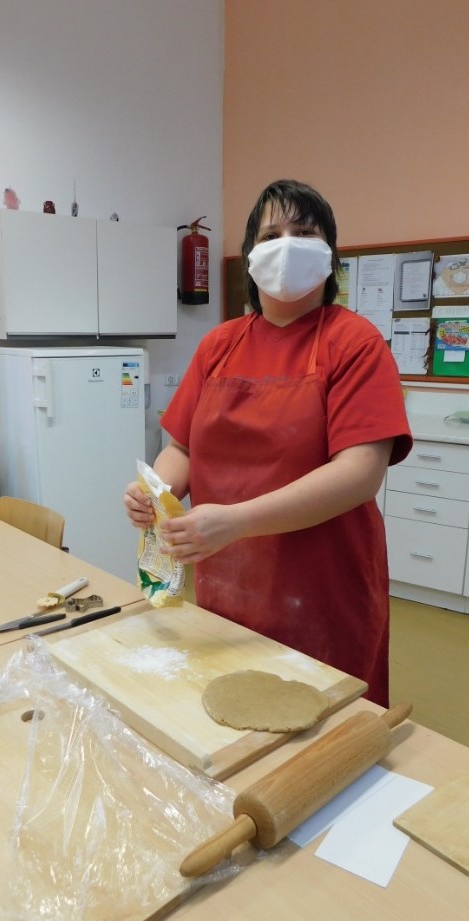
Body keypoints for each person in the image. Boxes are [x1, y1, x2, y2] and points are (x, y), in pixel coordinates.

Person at [124, 179, 412, 706]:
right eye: (271, 234)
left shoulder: (355, 343)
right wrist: (155, 491)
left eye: (304, 233)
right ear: (251, 255)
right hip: (229, 583)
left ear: (330, 254)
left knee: (323, 722)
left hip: (323, 589)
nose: (287, 245)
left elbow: (360, 473)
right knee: (232, 708)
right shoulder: (219, 344)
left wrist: (235, 522)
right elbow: (182, 448)